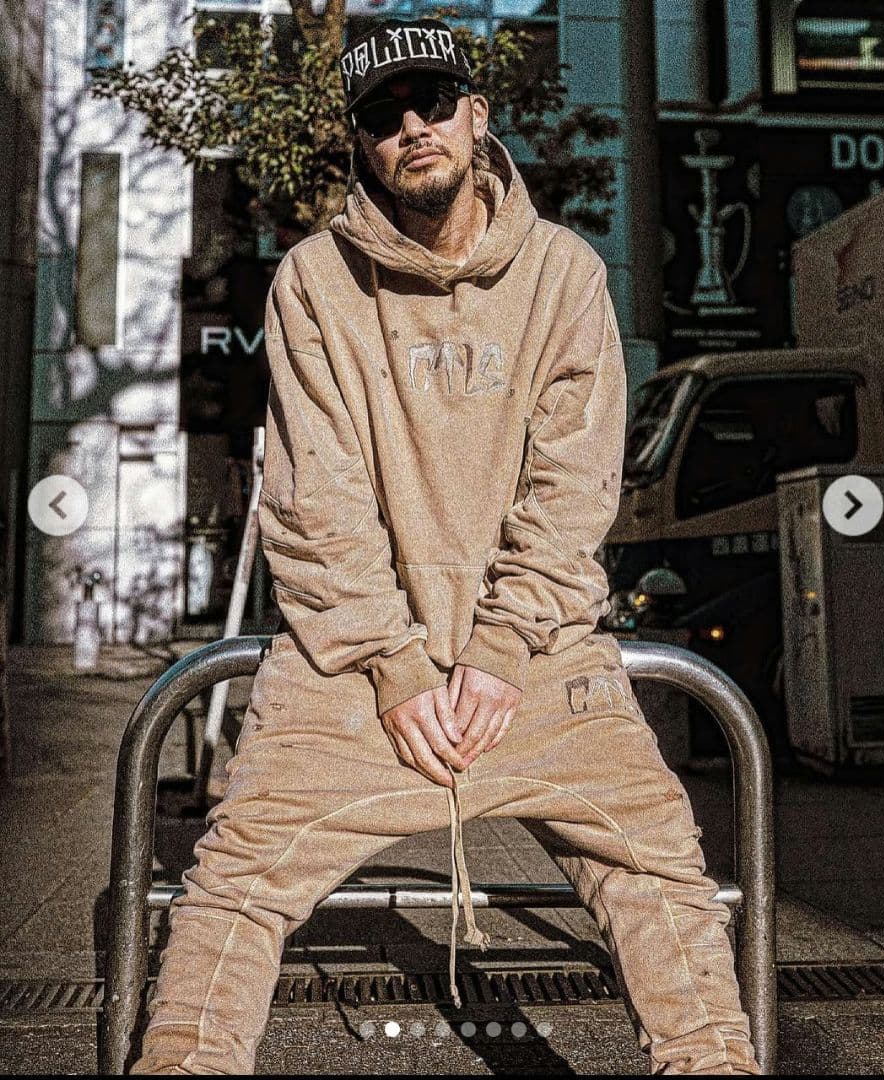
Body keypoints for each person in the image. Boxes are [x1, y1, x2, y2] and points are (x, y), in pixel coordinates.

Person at [132, 16, 761, 1075]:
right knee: (231, 887)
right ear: (361, 146)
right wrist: (394, 664)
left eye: (430, 103)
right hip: (353, 663)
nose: (411, 128)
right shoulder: (314, 280)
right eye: (382, 117)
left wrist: (502, 649)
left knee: (659, 876)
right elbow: (314, 495)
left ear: (476, 116)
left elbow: (572, 488)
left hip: (537, 655)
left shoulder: (562, 273)